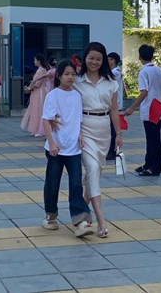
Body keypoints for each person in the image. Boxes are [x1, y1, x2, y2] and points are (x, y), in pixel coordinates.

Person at [73, 42, 122, 238]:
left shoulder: (111, 82)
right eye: (91, 58)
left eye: (98, 59)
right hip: (84, 128)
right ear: (85, 58)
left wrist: (119, 133)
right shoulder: (77, 81)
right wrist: (76, 131)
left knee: (95, 174)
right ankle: (101, 221)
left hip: (104, 130)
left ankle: (80, 213)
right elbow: (70, 108)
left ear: (104, 61)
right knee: (92, 169)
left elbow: (114, 109)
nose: (94, 62)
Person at [41, 59, 94, 238]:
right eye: (66, 74)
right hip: (56, 148)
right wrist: (52, 143)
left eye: (73, 74)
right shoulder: (53, 95)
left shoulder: (77, 95)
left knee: (76, 184)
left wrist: (80, 134)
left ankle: (81, 221)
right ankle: (50, 216)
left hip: (74, 149)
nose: (70, 77)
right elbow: (46, 120)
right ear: (59, 76)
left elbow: (77, 119)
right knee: (52, 183)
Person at [123, 44, 161, 177]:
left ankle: (154, 167)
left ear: (139, 57)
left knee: (152, 139)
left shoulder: (143, 72)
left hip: (149, 109)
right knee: (153, 138)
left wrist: (132, 107)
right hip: (158, 108)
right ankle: (148, 164)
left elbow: (144, 92)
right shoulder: (159, 70)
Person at [20, 54, 50, 137]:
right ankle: (35, 129)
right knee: (34, 110)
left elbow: (37, 83)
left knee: (39, 110)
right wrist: (29, 88)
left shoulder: (43, 70)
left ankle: (39, 130)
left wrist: (29, 88)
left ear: (39, 61)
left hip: (40, 92)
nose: (34, 62)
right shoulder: (40, 69)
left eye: (35, 60)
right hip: (36, 92)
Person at [106, 52, 126, 161]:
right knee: (111, 129)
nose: (107, 61)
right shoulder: (114, 72)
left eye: (109, 59)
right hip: (112, 102)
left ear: (114, 61)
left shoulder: (115, 72)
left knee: (113, 129)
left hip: (114, 103)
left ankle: (112, 151)